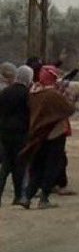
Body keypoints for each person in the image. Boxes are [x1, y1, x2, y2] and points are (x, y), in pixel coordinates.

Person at [19, 69, 76, 209]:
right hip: (54, 134)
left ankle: (27, 196)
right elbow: (69, 109)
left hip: (38, 134)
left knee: (37, 166)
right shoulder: (52, 95)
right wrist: (71, 99)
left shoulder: (33, 93)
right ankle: (44, 198)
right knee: (52, 166)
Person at [0, 63, 31, 205]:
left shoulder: (5, 92)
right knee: (20, 165)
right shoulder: (27, 95)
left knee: (6, 165)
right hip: (21, 134)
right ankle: (18, 196)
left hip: (4, 133)